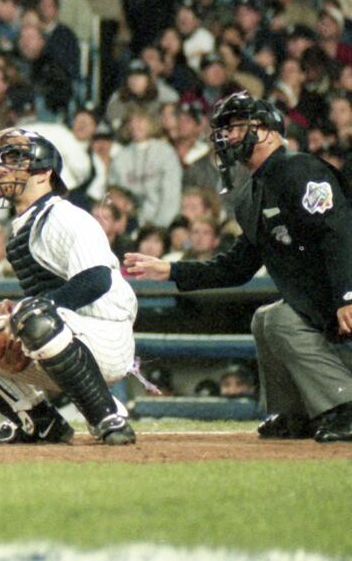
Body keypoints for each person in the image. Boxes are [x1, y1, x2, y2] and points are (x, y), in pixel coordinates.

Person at [125, 92, 352, 443]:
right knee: (265, 317)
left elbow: (339, 234)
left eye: (235, 127)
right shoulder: (251, 193)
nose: (228, 137)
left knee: (280, 318)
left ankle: (344, 406)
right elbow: (237, 267)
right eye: (225, 130)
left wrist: (347, 295)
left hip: (341, 301)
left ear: (267, 130)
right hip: (321, 306)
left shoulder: (300, 169)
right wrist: (171, 270)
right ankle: (295, 414)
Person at [0, 127, 139, 445]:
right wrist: (20, 310)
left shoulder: (65, 216)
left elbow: (97, 279)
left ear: (44, 173)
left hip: (106, 335)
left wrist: (32, 309)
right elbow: (52, 294)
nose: (0, 169)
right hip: (68, 333)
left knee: (33, 314)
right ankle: (38, 421)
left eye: (13, 160)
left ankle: (107, 415)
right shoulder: (22, 226)